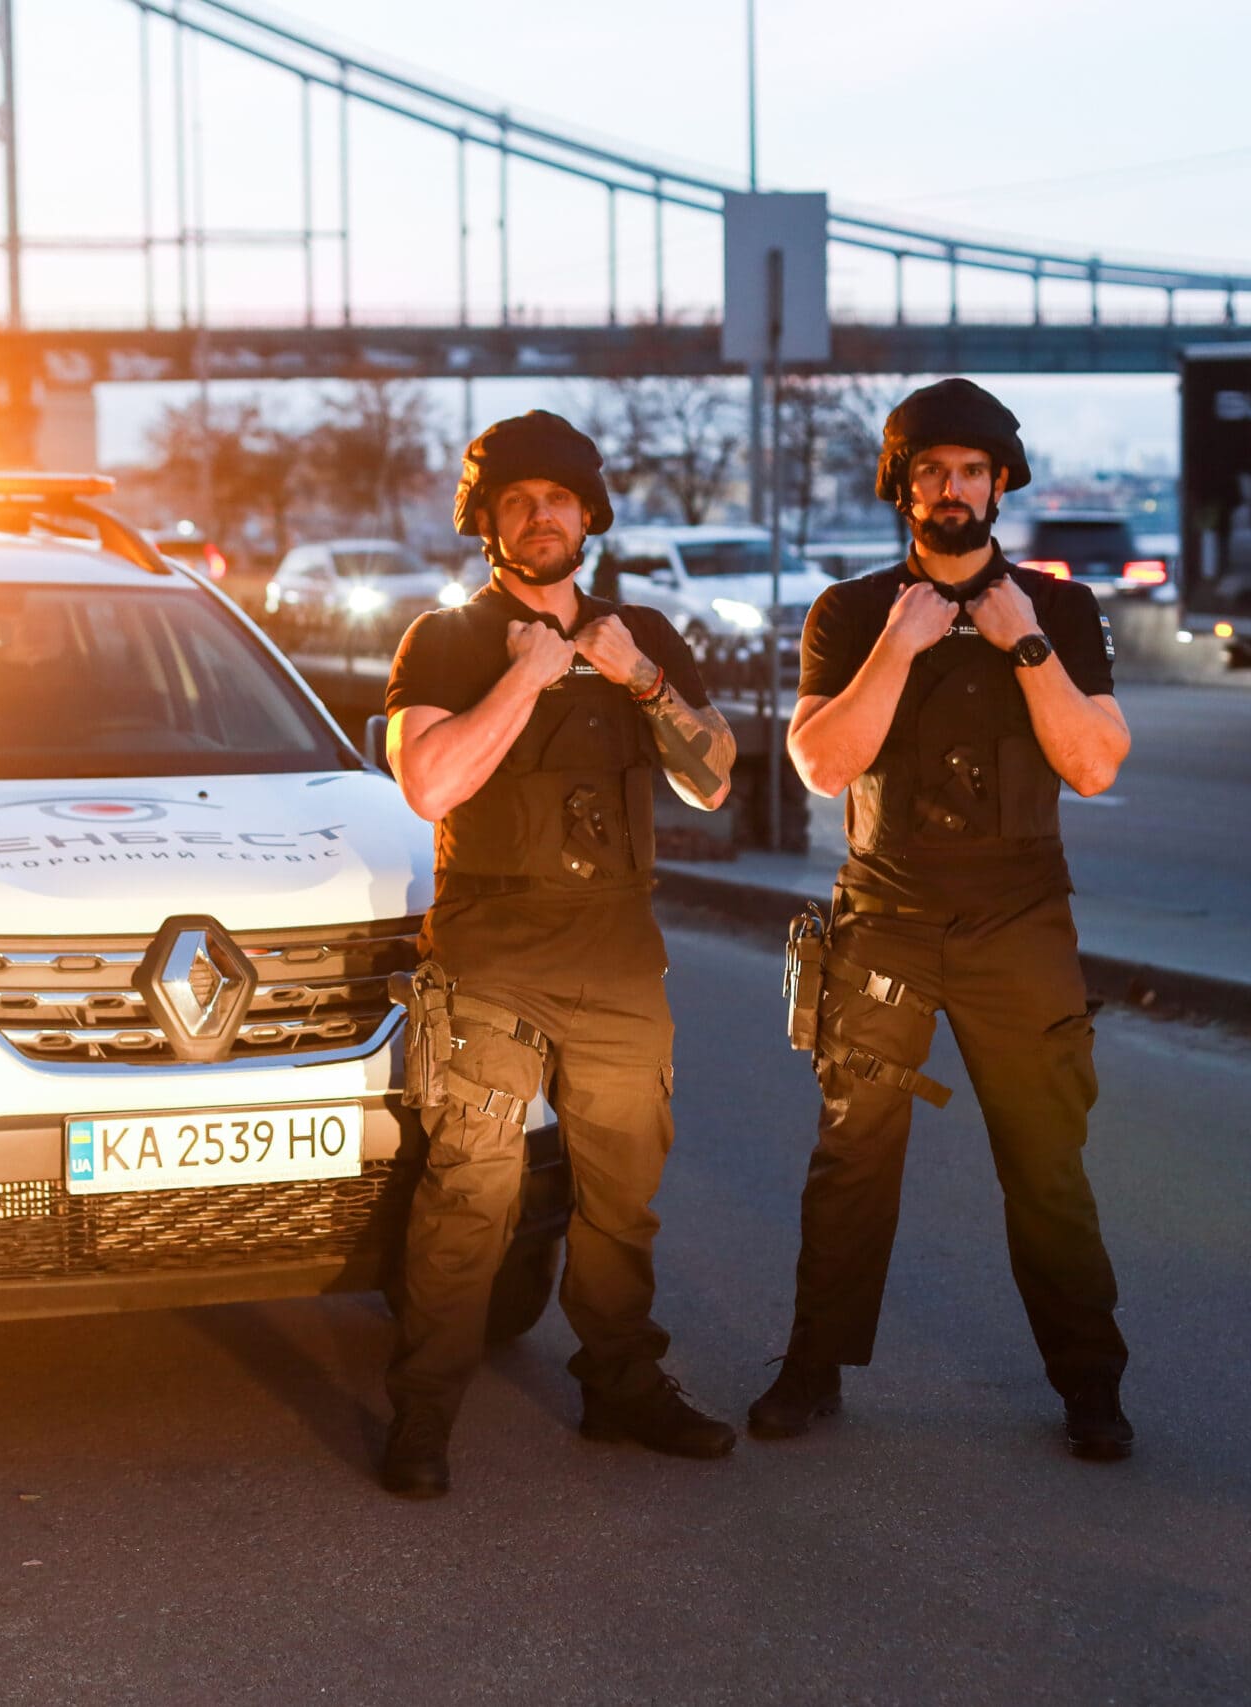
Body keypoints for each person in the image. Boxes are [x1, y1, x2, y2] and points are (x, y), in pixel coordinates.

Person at [750, 379, 1138, 1461]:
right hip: (887, 919)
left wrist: (1025, 644)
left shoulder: (1059, 610)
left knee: (1047, 1162)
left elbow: (1095, 766)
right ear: (902, 487)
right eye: (931, 472)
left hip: (1021, 922)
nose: (952, 489)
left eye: (971, 471)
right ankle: (813, 1366)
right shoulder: (848, 613)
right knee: (853, 1157)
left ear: (1000, 484)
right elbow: (822, 763)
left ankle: (1091, 1386)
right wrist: (898, 644)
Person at [378, 410, 741, 1498]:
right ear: (487, 522)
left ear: (590, 515)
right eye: (518, 501)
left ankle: (620, 1383)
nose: (541, 516)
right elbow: (428, 784)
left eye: (559, 499)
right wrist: (525, 678)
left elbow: (713, 780)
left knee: (623, 1197)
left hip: (619, 958)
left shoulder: (643, 633)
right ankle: (423, 1413)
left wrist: (642, 679)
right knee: (470, 1195)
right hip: (491, 960)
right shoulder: (444, 638)